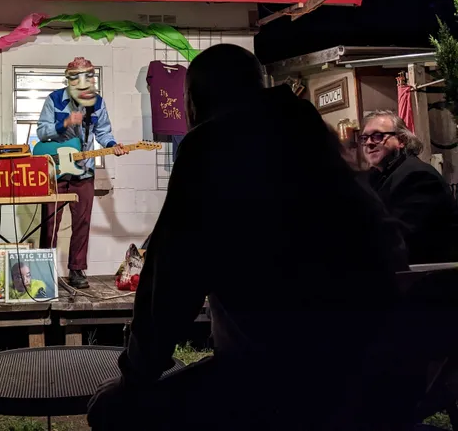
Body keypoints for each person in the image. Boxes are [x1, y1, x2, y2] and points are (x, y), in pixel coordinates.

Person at [88, 45, 406, 431]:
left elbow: (170, 282)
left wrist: (135, 376)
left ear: (193, 101)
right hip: (379, 363)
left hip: (283, 376)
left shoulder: (211, 145)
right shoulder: (310, 134)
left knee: (113, 413)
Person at [37, 57, 128, 289]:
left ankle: (76, 270)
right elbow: (41, 132)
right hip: (55, 171)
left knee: (82, 222)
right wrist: (65, 123)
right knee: (50, 224)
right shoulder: (54, 100)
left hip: (83, 171)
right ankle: (43, 271)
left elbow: (103, 131)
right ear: (69, 80)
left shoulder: (96, 103)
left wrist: (112, 145)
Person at [361, 110, 458, 264]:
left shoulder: (418, 176)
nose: (369, 143)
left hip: (427, 276)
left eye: (378, 136)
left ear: (402, 140)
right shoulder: (374, 176)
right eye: (364, 138)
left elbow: (400, 239)